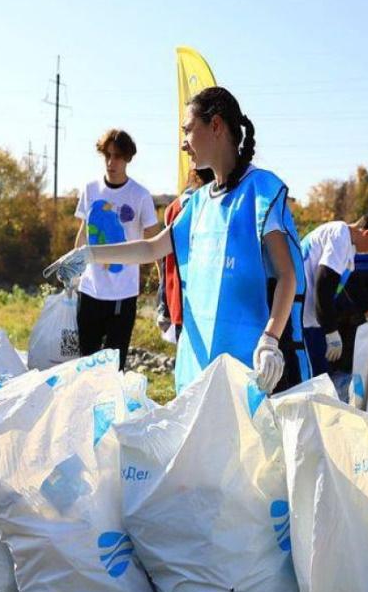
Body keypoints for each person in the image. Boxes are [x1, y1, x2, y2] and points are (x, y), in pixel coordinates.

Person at [48, 87, 309, 394]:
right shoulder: (198, 204)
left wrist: (270, 340)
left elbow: (287, 273)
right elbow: (151, 247)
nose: (184, 143)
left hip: (252, 366)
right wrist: (89, 254)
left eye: (188, 130)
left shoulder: (260, 191)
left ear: (215, 126)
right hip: (204, 368)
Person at [73, 129, 158, 370]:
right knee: (85, 364)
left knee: (113, 368)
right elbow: (83, 232)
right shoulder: (90, 189)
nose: (111, 162)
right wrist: (73, 270)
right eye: (107, 155)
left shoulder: (140, 195)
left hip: (122, 294)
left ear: (128, 158)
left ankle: (111, 407)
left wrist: (164, 284)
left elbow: (154, 240)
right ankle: (86, 407)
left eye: (118, 156)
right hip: (89, 291)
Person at [299, 212, 368, 376]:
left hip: (311, 319)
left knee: (321, 375)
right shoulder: (339, 237)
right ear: (367, 234)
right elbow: (323, 285)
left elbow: (350, 282)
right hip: (301, 319)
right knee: (314, 377)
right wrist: (331, 331)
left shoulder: (347, 244)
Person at [156, 166, 214, 340]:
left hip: (189, 305)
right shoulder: (182, 205)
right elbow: (167, 259)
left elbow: (165, 259)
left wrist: (164, 306)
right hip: (191, 305)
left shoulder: (179, 206)